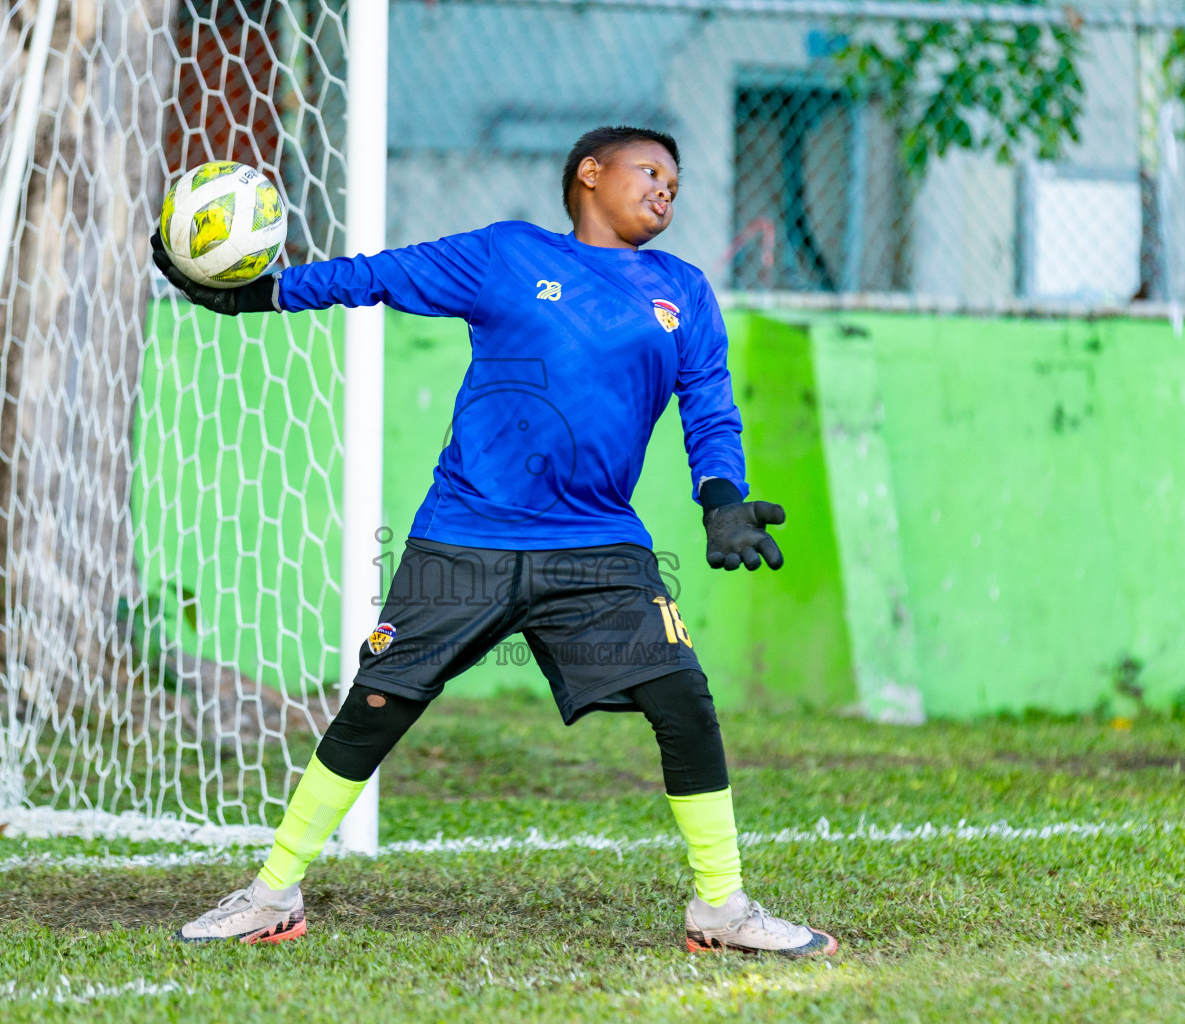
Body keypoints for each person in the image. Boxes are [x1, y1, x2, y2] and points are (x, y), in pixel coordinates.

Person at [153, 125, 838, 956]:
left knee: (684, 702)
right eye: (649, 170)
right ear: (590, 173)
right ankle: (272, 892)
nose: (667, 189)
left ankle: (722, 911)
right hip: (465, 533)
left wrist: (721, 499)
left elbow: (710, 408)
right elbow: (376, 277)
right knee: (375, 705)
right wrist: (257, 295)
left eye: (675, 182)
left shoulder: (683, 291)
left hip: (596, 545)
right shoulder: (506, 255)